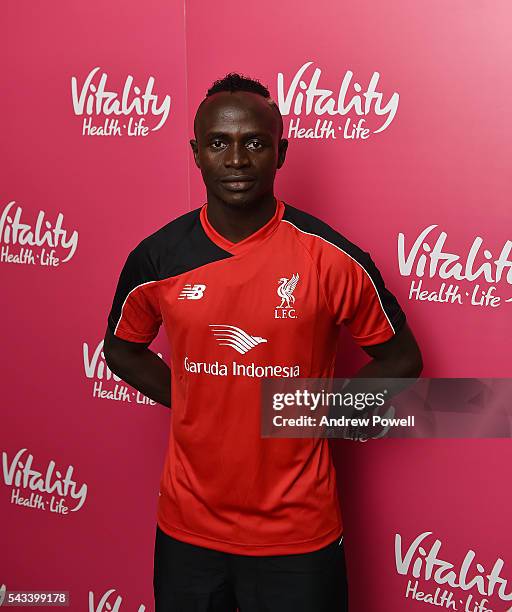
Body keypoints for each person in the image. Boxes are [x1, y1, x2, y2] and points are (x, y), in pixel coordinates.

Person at [103, 73, 423, 612]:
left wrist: (309, 413)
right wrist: (192, 398)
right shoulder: (156, 257)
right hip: (188, 534)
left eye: (254, 142)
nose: (235, 159)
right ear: (196, 154)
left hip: (299, 536)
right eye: (218, 143)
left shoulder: (331, 258)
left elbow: (402, 358)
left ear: (280, 153)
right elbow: (120, 347)